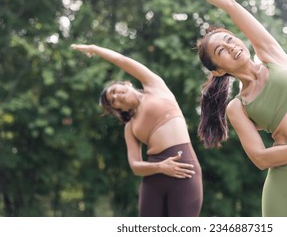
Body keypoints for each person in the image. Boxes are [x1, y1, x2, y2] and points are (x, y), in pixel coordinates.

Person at [149, 0, 287, 217]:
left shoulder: (272, 55)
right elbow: (261, 159)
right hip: (283, 177)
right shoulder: (238, 106)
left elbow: (231, 5)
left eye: (229, 40)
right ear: (219, 71)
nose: (231, 48)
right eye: (221, 51)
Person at [71, 43, 203, 217]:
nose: (116, 97)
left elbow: (121, 60)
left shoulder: (155, 87)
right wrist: (160, 167)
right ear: (118, 109)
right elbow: (135, 165)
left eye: (115, 91)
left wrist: (94, 49)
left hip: (183, 168)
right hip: (154, 177)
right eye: (113, 101)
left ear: (127, 84)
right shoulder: (130, 126)